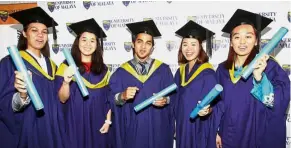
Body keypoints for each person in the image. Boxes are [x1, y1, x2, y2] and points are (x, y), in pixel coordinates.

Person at [215, 9, 290, 148]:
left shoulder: (270, 66)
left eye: (248, 37)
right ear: (231, 42)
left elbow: (280, 100)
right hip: (230, 135)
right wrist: (216, 130)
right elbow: (216, 103)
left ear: (256, 41)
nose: (242, 42)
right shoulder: (223, 69)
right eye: (237, 37)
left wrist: (260, 78)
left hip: (258, 135)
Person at [0, 7, 64, 148]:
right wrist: (21, 96)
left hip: (51, 130)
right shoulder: (10, 63)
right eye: (34, 30)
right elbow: (4, 104)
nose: (40, 35)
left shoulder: (53, 66)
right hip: (27, 130)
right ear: (24, 33)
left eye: (44, 32)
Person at [109, 20, 175, 148]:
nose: (143, 47)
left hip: (158, 132)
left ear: (152, 48)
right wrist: (122, 96)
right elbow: (110, 99)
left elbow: (174, 99)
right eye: (139, 42)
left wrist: (165, 100)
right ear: (133, 44)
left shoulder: (163, 70)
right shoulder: (121, 72)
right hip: (132, 133)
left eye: (148, 43)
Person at [55, 18, 113, 148]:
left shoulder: (103, 70)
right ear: (77, 42)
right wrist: (65, 82)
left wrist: (108, 121)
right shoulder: (66, 67)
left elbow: (108, 98)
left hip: (98, 121)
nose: (88, 44)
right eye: (84, 39)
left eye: (92, 40)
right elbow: (62, 99)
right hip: (74, 122)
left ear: (97, 45)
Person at [174, 20, 218, 148]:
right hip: (182, 126)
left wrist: (208, 110)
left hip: (199, 127)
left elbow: (216, 103)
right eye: (185, 44)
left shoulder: (208, 73)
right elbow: (175, 101)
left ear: (200, 47)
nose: (189, 49)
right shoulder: (180, 72)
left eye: (193, 44)